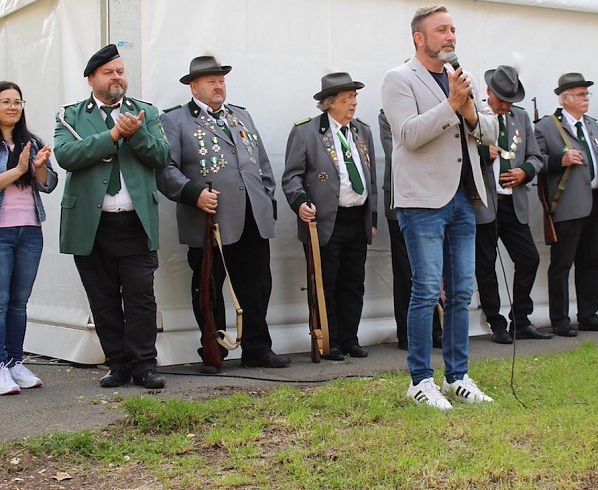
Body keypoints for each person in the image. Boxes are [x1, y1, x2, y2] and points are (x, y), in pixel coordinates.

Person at [381, 5, 498, 410]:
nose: (450, 37)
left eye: (453, 29)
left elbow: (491, 130)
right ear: (420, 38)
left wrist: (468, 110)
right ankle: (419, 380)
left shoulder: (461, 77)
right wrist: (451, 105)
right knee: (427, 290)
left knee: (462, 291)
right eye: (442, 30)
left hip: (464, 197)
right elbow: (409, 134)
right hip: (422, 201)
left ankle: (457, 376)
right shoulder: (399, 79)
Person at [158, 56, 289, 372]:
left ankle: (258, 348)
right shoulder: (175, 121)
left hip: (251, 217)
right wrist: (194, 194)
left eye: (221, 81)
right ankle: (213, 350)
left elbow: (261, 164)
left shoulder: (240, 116)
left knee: (257, 285)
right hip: (209, 219)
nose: (218, 86)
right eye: (211, 81)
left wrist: (268, 203)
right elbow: (165, 169)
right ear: (194, 87)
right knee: (209, 287)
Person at [54, 44, 171, 389]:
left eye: (120, 71)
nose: (117, 77)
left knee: (140, 297)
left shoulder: (145, 113)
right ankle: (117, 364)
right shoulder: (70, 116)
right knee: (102, 298)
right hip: (92, 225)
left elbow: (162, 156)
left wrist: (137, 135)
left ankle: (144, 365)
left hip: (135, 221)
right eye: (109, 72)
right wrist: (113, 135)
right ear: (91, 79)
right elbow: (66, 155)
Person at [282, 72, 378, 361]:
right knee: (327, 283)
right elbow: (291, 177)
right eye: (347, 98)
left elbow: (371, 177)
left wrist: (371, 219)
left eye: (355, 98)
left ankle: (350, 338)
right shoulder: (306, 132)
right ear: (330, 103)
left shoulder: (362, 131)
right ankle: (330, 340)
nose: (354, 103)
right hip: (324, 221)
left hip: (356, 218)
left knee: (353, 282)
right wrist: (300, 202)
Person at [535, 72, 598, 337]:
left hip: (593, 201)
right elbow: (536, 160)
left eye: (586, 94)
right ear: (565, 98)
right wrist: (560, 160)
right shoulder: (547, 126)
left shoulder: (592, 125)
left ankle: (589, 315)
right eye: (580, 95)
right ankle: (560, 319)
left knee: (590, 262)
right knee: (562, 264)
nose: (585, 99)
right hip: (568, 204)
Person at [474, 65, 552, 343]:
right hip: (484, 203)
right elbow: (458, 154)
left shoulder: (520, 117)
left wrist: (524, 172)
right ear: (489, 92)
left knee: (529, 258)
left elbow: (536, 157)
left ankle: (521, 319)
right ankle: (496, 323)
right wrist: (482, 152)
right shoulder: (475, 115)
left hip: (513, 202)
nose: (506, 105)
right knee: (486, 266)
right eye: (502, 99)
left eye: (511, 100)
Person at [0, 82, 57, 395]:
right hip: (1, 231)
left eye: (17, 102)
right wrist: (20, 168)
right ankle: (0, 365)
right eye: (5, 101)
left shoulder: (32, 141)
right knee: (0, 302)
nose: (13, 107)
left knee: (19, 303)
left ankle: (15, 363)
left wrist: (38, 168)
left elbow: (49, 184)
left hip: (30, 230)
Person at [378, 107, 442, 351]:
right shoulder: (389, 114)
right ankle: (408, 333)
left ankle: (434, 330)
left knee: (431, 270)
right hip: (402, 201)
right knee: (406, 271)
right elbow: (401, 153)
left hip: (433, 199)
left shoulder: (434, 111)